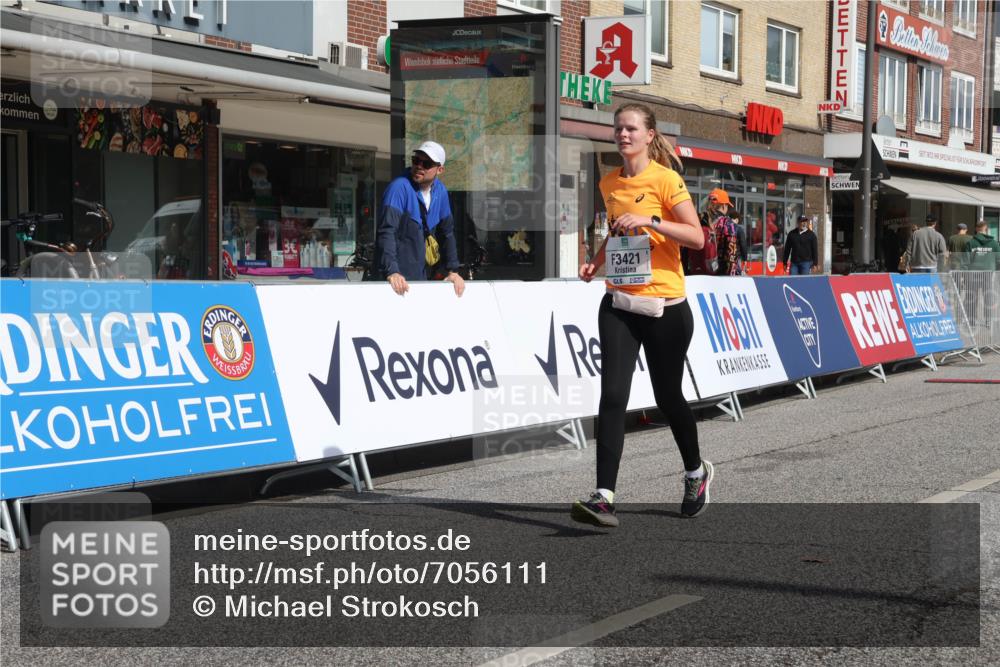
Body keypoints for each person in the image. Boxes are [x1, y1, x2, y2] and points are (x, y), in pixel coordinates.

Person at [573, 103, 712, 527]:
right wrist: (596, 263)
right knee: (613, 394)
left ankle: (695, 472)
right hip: (619, 302)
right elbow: (616, 233)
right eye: (618, 128)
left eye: (631, 128)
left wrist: (652, 219)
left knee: (668, 397)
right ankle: (603, 497)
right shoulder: (609, 182)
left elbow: (697, 237)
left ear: (649, 135)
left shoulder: (666, 180)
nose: (623, 134)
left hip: (665, 306)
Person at [374, 140, 464, 296]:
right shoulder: (399, 187)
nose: (419, 166)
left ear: (440, 170)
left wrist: (453, 270)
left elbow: (447, 233)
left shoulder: (440, 191)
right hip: (392, 281)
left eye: (427, 163)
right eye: (416, 160)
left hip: (420, 278)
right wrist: (392, 271)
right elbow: (387, 231)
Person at [705, 189, 746, 275]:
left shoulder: (700, 221)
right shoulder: (731, 226)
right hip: (725, 277)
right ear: (724, 206)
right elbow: (731, 259)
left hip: (700, 276)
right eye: (727, 206)